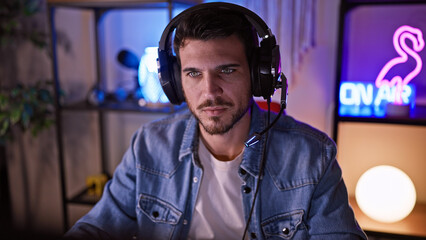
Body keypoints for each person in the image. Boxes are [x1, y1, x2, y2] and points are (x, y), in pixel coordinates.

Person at [64, 2, 367, 240]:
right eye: (193, 73)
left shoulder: (311, 156)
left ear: (258, 76)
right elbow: (97, 227)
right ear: (174, 81)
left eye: (227, 70)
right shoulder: (149, 145)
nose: (209, 91)